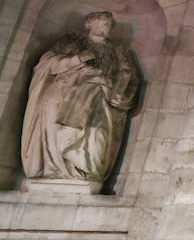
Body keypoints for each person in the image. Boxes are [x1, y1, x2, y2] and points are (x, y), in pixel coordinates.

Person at [20, 10, 142, 185]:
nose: (107, 27)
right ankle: (56, 169)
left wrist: (122, 96)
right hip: (66, 94)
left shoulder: (118, 51)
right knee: (58, 132)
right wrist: (77, 59)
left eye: (109, 25)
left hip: (100, 96)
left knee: (97, 136)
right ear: (89, 24)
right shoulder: (73, 42)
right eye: (103, 23)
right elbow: (50, 64)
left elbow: (131, 78)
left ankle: (84, 172)